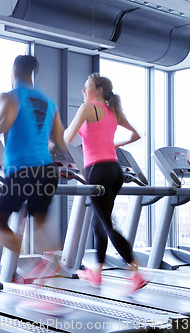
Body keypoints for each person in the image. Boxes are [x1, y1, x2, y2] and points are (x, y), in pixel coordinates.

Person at [0, 55, 66, 278]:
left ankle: (19, 249)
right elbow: (59, 141)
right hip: (47, 171)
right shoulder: (49, 102)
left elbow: (2, 125)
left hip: (21, 171)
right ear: (32, 73)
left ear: (14, 72)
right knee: (39, 225)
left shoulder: (10, 97)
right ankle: (51, 267)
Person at [64, 73, 146, 294]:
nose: (83, 91)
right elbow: (136, 135)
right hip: (114, 169)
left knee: (107, 225)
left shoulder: (88, 108)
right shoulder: (113, 111)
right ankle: (97, 272)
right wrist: (114, 145)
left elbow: (68, 137)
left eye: (86, 86)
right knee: (100, 222)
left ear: (98, 89)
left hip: (97, 170)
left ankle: (136, 271)